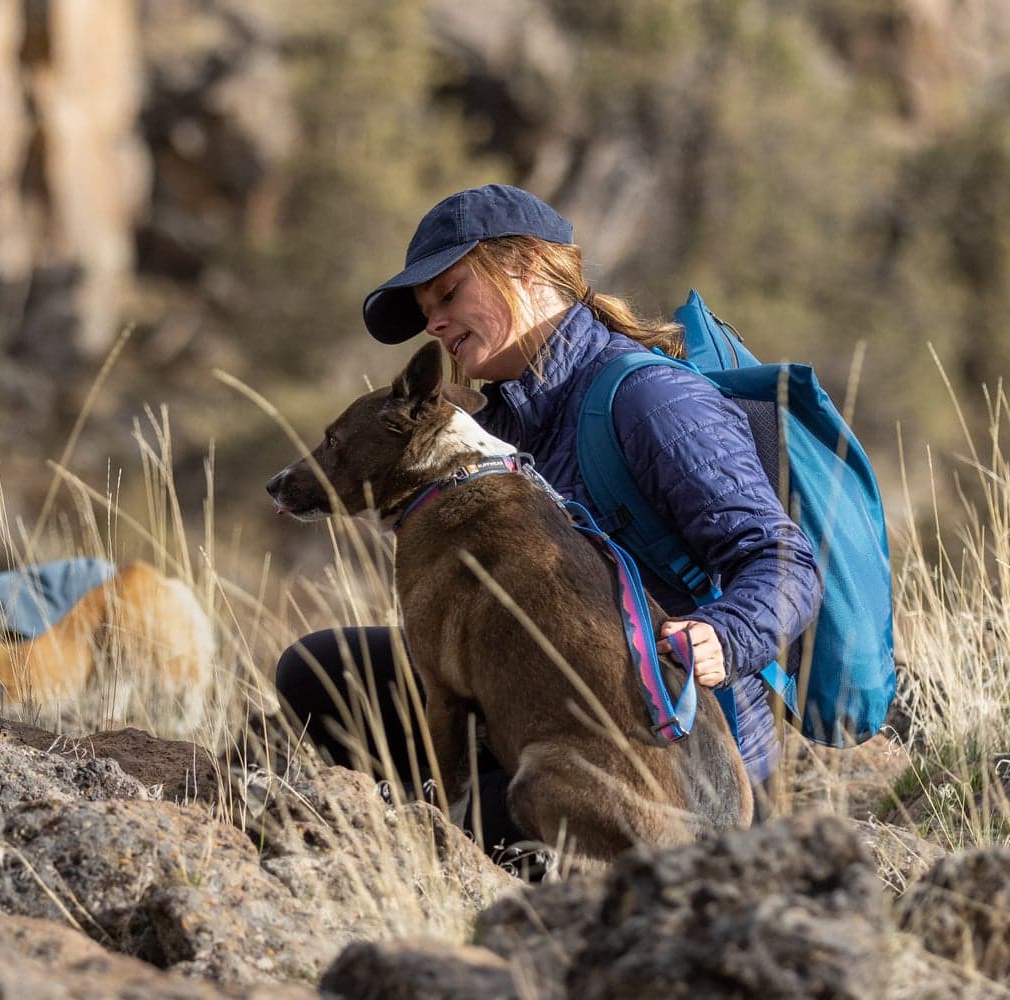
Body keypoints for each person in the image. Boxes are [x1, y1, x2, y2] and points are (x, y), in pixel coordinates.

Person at [274, 184, 823, 842]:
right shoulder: (495, 427)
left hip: (674, 747)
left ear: (526, 267)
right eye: (426, 312)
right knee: (322, 673)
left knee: (492, 816)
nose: (434, 324)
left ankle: (469, 828)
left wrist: (723, 636)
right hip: (547, 702)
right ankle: (451, 812)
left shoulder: (650, 399)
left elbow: (785, 561)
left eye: (448, 294)